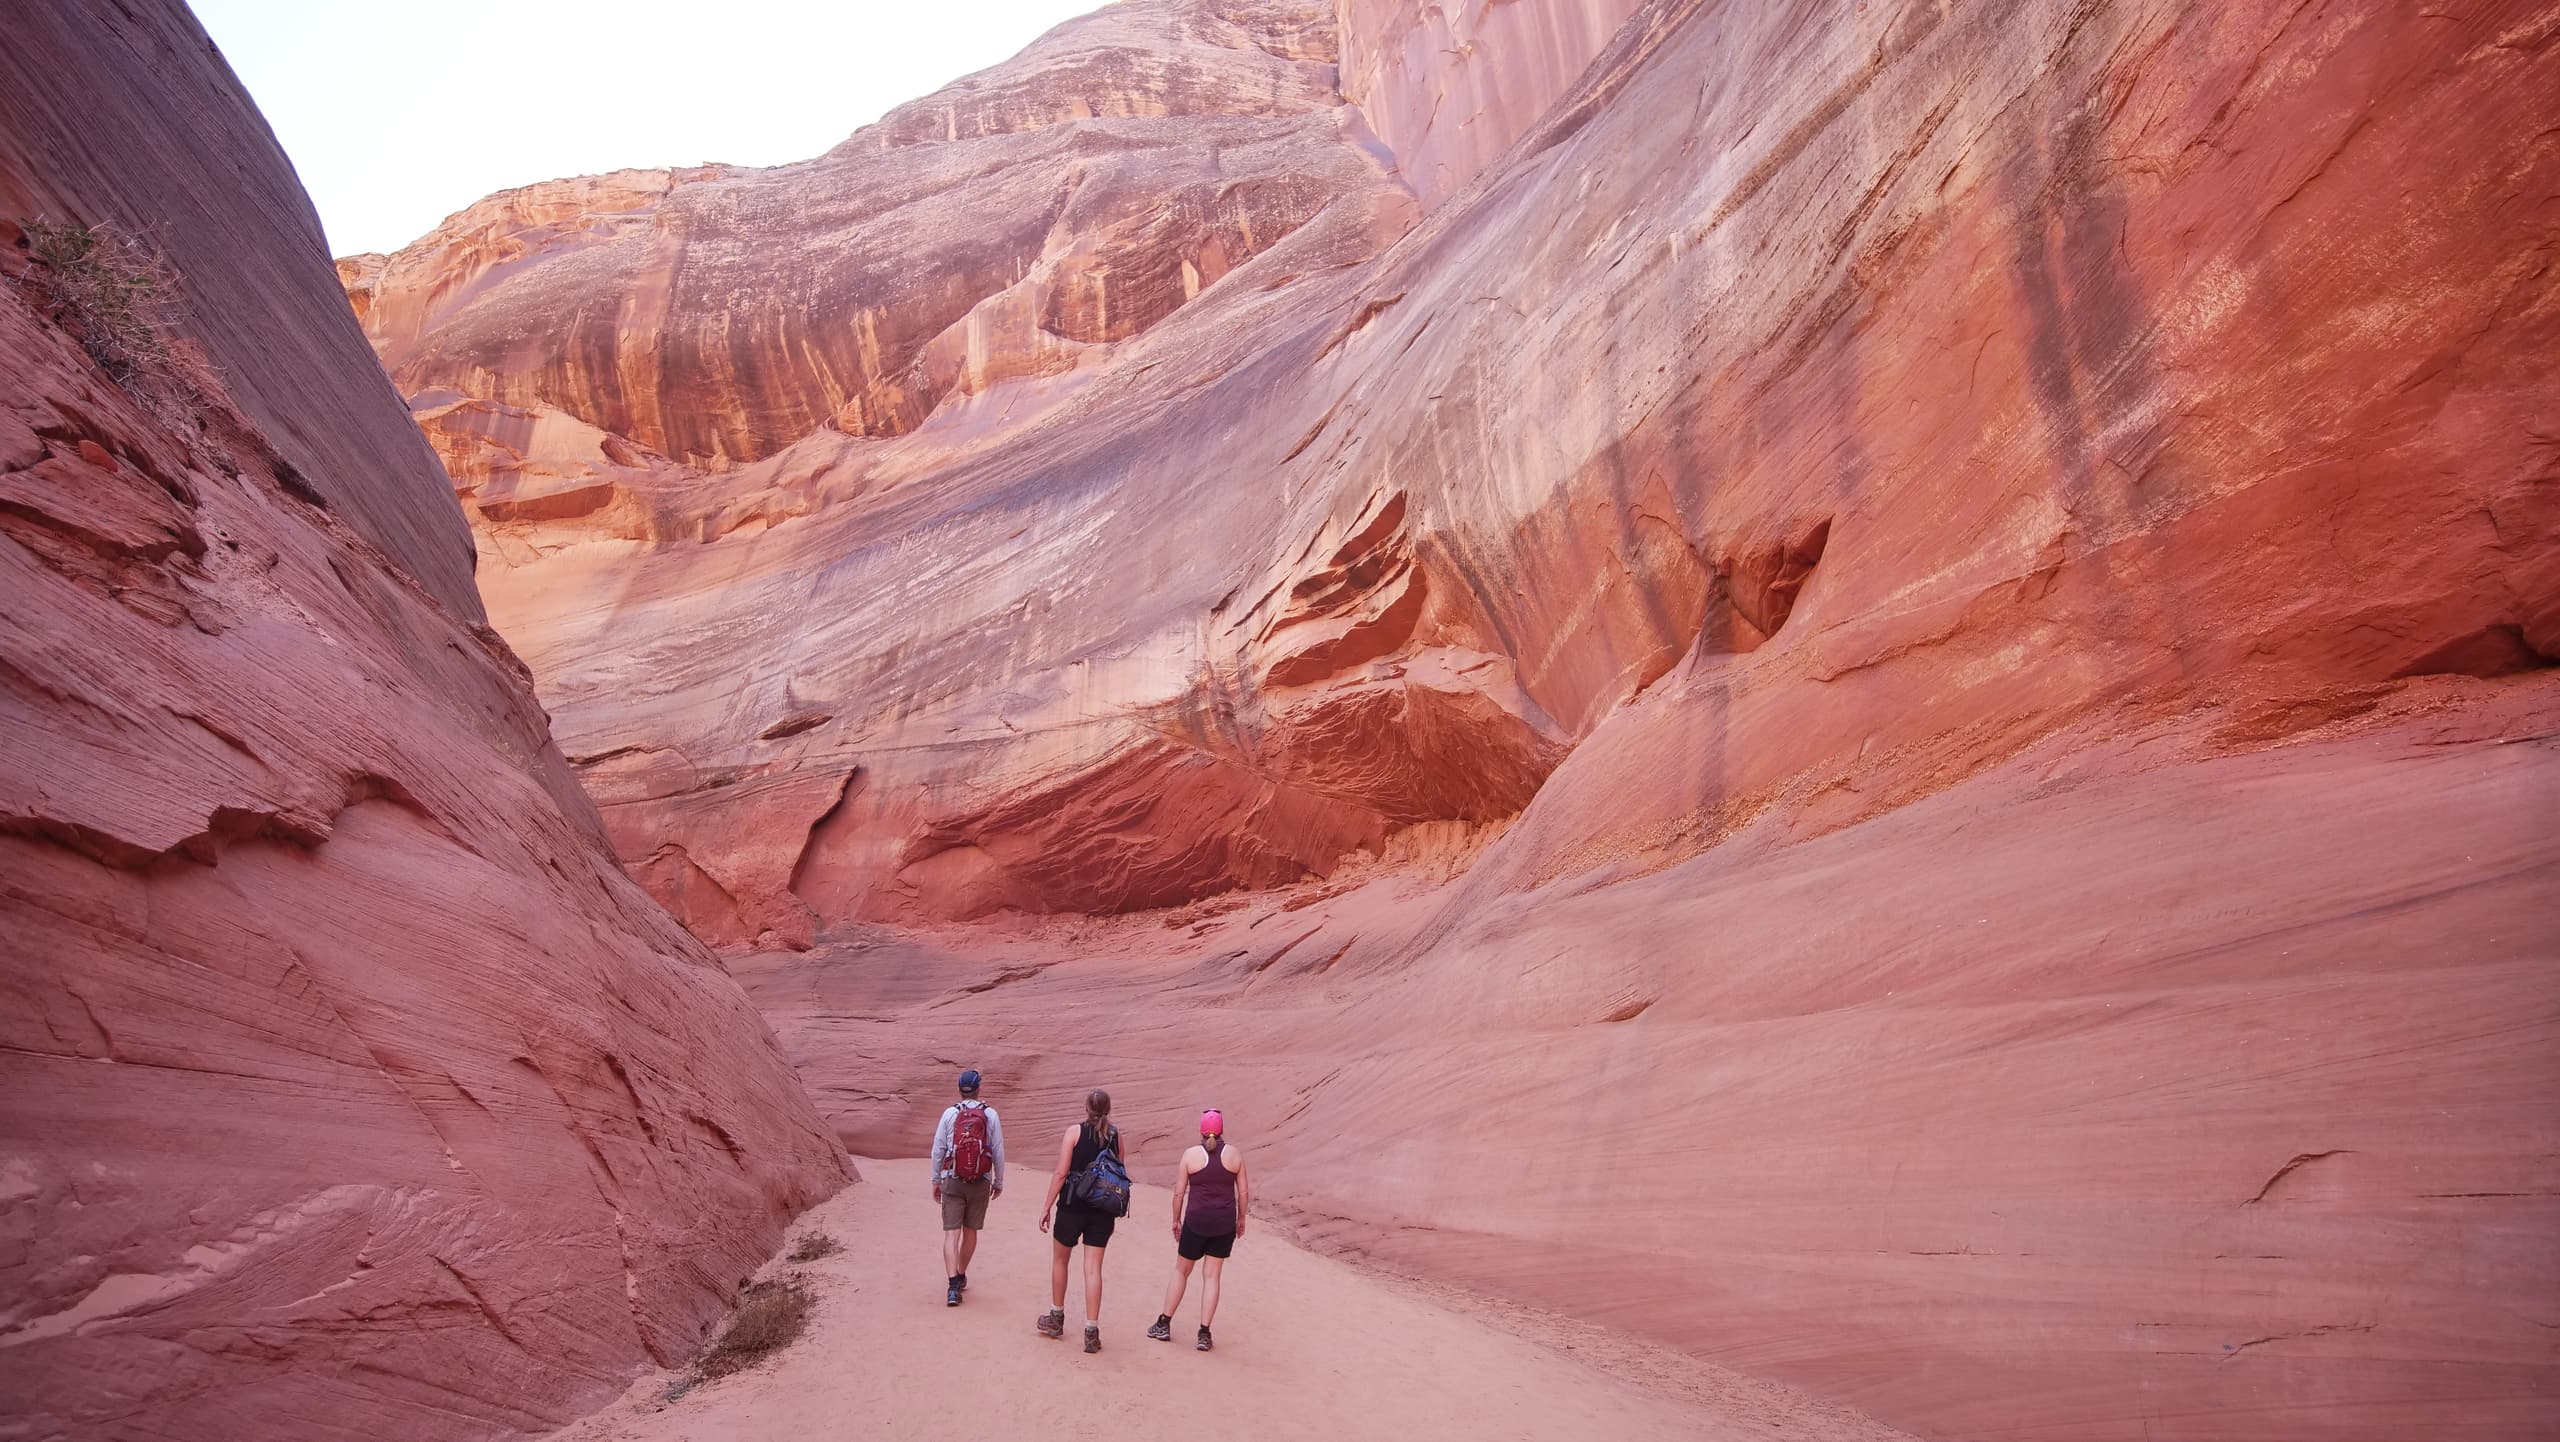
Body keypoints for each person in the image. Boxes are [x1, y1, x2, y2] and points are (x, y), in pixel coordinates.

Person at [1036, 1088, 1128, 1353]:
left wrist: (1046, 1206)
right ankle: (1091, 1331)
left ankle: (1056, 1318)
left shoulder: (1074, 1133)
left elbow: (1061, 1172)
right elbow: (1118, 1172)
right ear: (1108, 1109)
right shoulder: (1116, 1136)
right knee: (1093, 1269)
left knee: (1061, 1260)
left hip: (1072, 1204)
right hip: (1102, 1209)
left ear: (1086, 1108)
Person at [1147, 1109, 1246, 1352]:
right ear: (1221, 1130)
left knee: (1182, 1271)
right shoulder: (1233, 1155)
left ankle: (1164, 1323)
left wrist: (1175, 1219)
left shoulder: (1191, 1155)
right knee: (1212, 1276)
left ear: (1201, 1131)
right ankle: (1204, 1333)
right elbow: (1242, 1192)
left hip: (1196, 1221)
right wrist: (1241, 1218)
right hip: (1224, 1223)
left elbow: (1179, 1192)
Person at [928, 1068, 1004, 1307]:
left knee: (952, 1233)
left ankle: (952, 1285)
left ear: (960, 1089)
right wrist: (998, 1180)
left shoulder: (950, 1113)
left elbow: (938, 1148)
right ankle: (960, 1273)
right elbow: (998, 1149)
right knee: (970, 1231)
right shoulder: (990, 1114)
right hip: (980, 1179)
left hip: (953, 1177)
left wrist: (935, 1179)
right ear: (979, 1088)